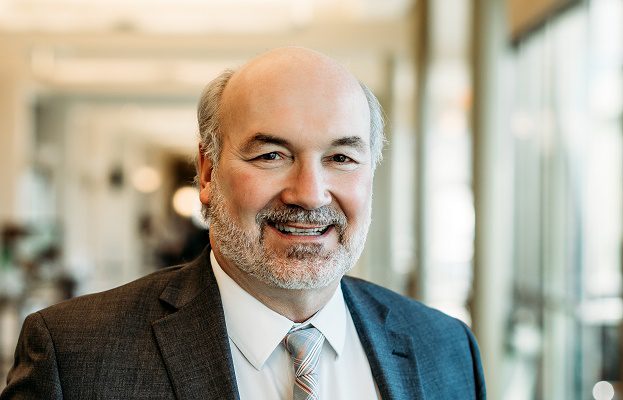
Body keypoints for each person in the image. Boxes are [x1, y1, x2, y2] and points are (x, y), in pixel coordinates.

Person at [1, 47, 485, 399]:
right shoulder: (76, 358)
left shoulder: (445, 348)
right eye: (272, 155)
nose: (310, 194)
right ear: (208, 173)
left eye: (340, 156)